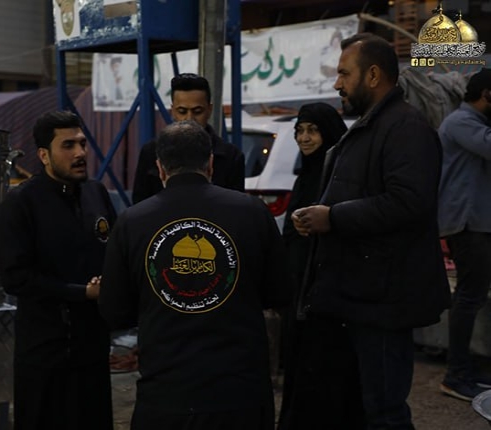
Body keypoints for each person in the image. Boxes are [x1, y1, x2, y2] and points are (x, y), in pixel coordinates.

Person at [289, 33, 450, 428]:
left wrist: (333, 217)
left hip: (384, 299)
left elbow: (408, 202)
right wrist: (317, 217)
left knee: (385, 411)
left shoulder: (406, 128)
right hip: (360, 294)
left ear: (373, 75)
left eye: (345, 73)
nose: (337, 83)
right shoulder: (369, 128)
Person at [99, 120, 290, 430]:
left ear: (160, 168)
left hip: (166, 394)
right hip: (240, 392)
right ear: (211, 164)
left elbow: (114, 311)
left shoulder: (132, 222)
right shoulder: (252, 212)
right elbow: (279, 293)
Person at [0, 110, 115, 429]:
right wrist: (81, 293)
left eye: (82, 143)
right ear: (44, 155)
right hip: (45, 350)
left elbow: (115, 251)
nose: (80, 153)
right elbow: (15, 278)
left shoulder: (96, 194)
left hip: (92, 345)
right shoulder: (21, 202)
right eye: (68, 145)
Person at [277, 103, 348, 428]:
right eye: (299, 131)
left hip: (326, 292)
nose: (304, 138)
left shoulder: (338, 177)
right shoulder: (306, 175)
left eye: (312, 130)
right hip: (299, 289)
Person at [437, 68, 491, 401]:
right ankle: (455, 374)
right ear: (487, 94)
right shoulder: (460, 122)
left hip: (478, 223)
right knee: (469, 297)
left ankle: (465, 368)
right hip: (467, 224)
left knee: (474, 295)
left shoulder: (477, 123)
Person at [131, 73, 245, 204]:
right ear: (173, 111)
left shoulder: (230, 156)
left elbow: (235, 206)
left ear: (209, 110)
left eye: (197, 111)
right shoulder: (151, 152)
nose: (189, 119)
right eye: (182, 111)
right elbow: (140, 204)